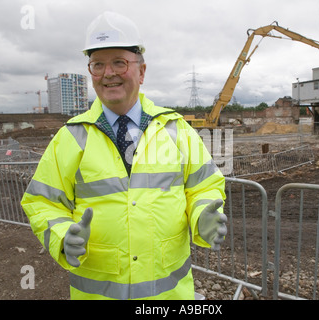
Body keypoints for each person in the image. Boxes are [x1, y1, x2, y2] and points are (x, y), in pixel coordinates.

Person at [21, 11, 227, 300]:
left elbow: (204, 187)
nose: (109, 73)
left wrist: (202, 215)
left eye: (119, 62)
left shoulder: (176, 131)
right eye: (98, 64)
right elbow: (42, 202)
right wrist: (61, 235)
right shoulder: (71, 137)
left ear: (141, 72)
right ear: (90, 71)